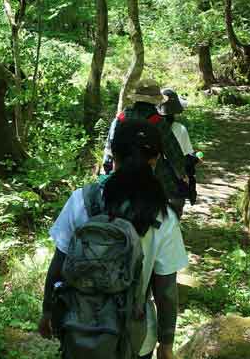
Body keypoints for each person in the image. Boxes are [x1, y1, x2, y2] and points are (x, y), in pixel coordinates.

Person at [39, 119, 188, 359]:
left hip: (78, 327)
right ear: (156, 159)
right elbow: (166, 290)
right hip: (134, 337)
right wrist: (166, 343)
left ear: (113, 156)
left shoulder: (82, 200)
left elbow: (59, 262)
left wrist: (48, 311)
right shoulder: (163, 216)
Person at [102, 79, 187, 212]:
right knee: (176, 197)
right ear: (156, 101)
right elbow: (172, 151)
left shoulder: (121, 118)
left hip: (122, 171)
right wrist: (182, 173)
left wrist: (107, 169)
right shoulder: (158, 121)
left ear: (136, 98)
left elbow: (109, 147)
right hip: (152, 174)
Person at [158, 88, 200, 205]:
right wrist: (196, 159)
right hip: (175, 180)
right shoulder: (180, 129)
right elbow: (187, 156)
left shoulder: (150, 127)